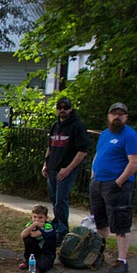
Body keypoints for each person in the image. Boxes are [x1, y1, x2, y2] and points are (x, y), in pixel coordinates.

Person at [89, 102, 137, 273]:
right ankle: (99, 254)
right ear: (108, 116)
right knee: (100, 221)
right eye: (114, 113)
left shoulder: (130, 135)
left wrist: (118, 182)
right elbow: (98, 154)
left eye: (121, 114)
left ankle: (122, 260)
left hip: (116, 185)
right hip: (98, 183)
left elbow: (135, 162)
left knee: (120, 223)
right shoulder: (104, 134)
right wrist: (93, 175)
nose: (117, 117)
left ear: (126, 117)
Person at [41, 97, 89, 237]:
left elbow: (82, 151)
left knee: (61, 199)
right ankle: (57, 224)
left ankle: (62, 231)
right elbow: (50, 147)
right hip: (52, 168)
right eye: (59, 107)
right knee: (54, 198)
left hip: (66, 170)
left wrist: (68, 169)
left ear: (70, 109)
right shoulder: (55, 126)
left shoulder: (77, 126)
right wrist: (45, 164)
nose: (62, 110)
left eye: (65, 107)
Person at [19, 204, 57, 271]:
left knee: (42, 268)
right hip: (35, 250)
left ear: (45, 218)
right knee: (27, 239)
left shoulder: (48, 226)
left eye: (40, 217)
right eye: (35, 217)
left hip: (47, 252)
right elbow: (23, 235)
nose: (37, 219)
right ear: (31, 217)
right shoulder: (31, 224)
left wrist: (31, 230)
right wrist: (33, 225)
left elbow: (34, 235)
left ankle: (47, 262)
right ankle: (28, 260)